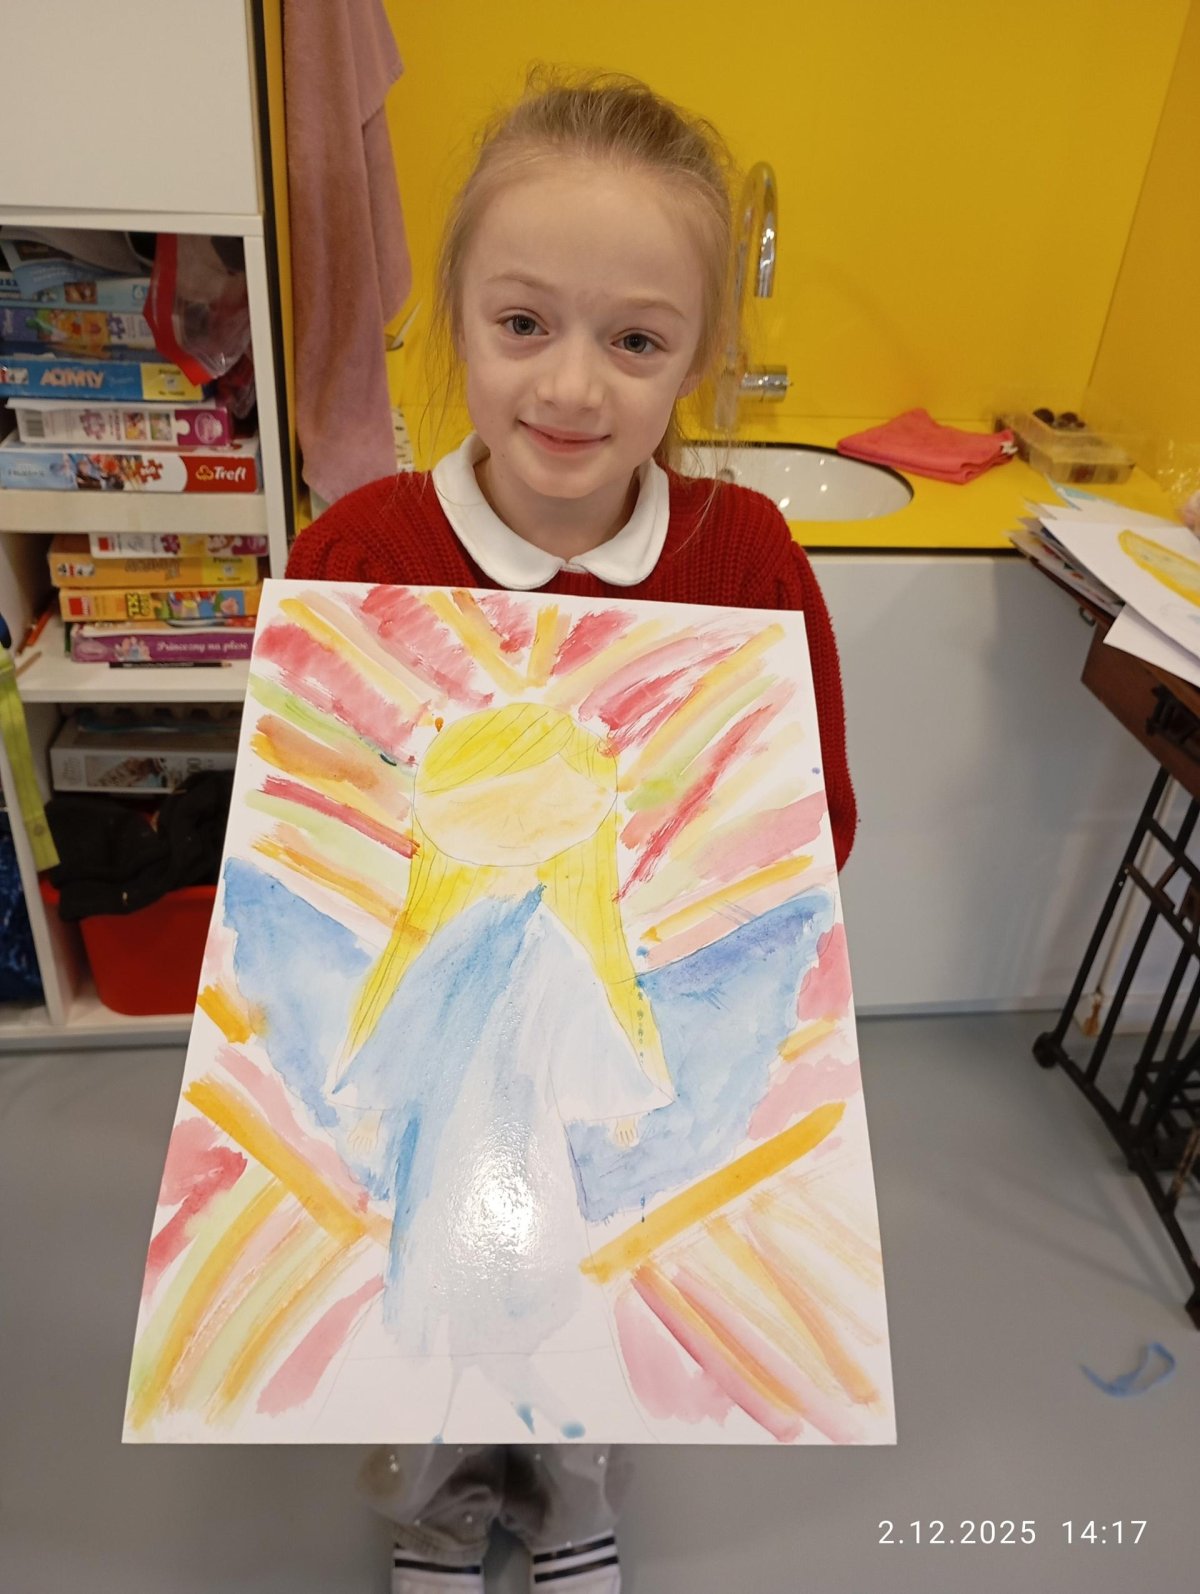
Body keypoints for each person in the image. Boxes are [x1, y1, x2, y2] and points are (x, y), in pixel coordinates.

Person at [287, 66, 856, 1594]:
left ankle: (575, 1487)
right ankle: (438, 1500)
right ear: (456, 317)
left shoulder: (746, 561)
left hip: (622, 1016)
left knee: (597, 1269)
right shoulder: (359, 555)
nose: (573, 387)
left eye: (636, 341)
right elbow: (302, 823)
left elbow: (814, 828)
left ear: (697, 360)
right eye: (524, 323)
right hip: (431, 1021)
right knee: (429, 1274)